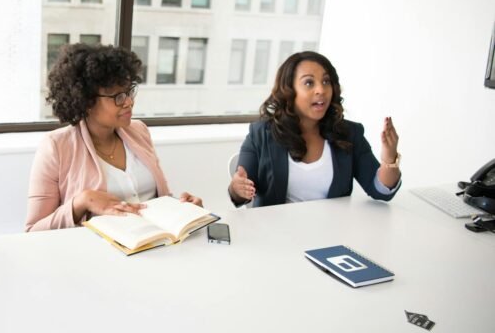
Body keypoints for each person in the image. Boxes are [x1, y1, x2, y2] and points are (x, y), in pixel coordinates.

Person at [26, 43, 202, 232]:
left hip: (155, 245)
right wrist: (81, 202)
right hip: (97, 254)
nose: (129, 102)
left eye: (129, 91)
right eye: (117, 96)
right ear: (86, 101)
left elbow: (157, 201)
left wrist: (183, 209)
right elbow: (33, 230)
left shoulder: (139, 131)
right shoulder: (56, 147)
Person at [228, 51, 401, 207]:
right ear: (289, 91)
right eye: (309, 83)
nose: (321, 90)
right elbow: (240, 193)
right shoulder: (261, 134)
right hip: (276, 234)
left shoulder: (349, 133)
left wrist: (389, 157)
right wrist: (237, 188)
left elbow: (380, 191)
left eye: (326, 81)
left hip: (331, 232)